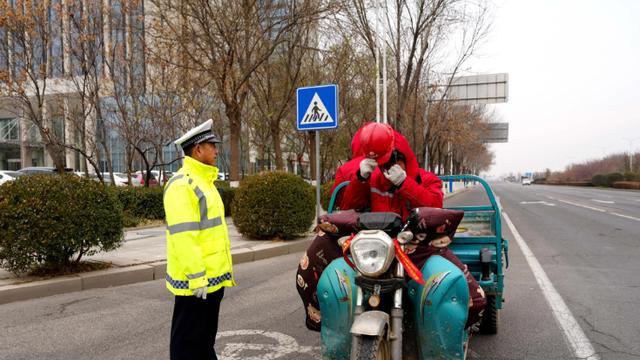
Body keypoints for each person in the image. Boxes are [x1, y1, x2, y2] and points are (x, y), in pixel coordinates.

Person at [343, 122, 485, 327]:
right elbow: (348, 207)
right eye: (381, 163)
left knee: (474, 298)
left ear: (405, 159)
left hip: (421, 250)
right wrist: (359, 178)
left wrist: (405, 184)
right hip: (379, 251)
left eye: (393, 161)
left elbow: (436, 206)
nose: (387, 168)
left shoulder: (427, 179)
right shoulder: (372, 180)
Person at [163, 119, 235, 360]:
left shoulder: (205, 182)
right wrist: (196, 279)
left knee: (203, 341)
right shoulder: (182, 185)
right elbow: (185, 237)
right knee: (186, 344)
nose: (216, 150)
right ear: (197, 150)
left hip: (212, 281)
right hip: (196, 284)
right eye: (211, 145)